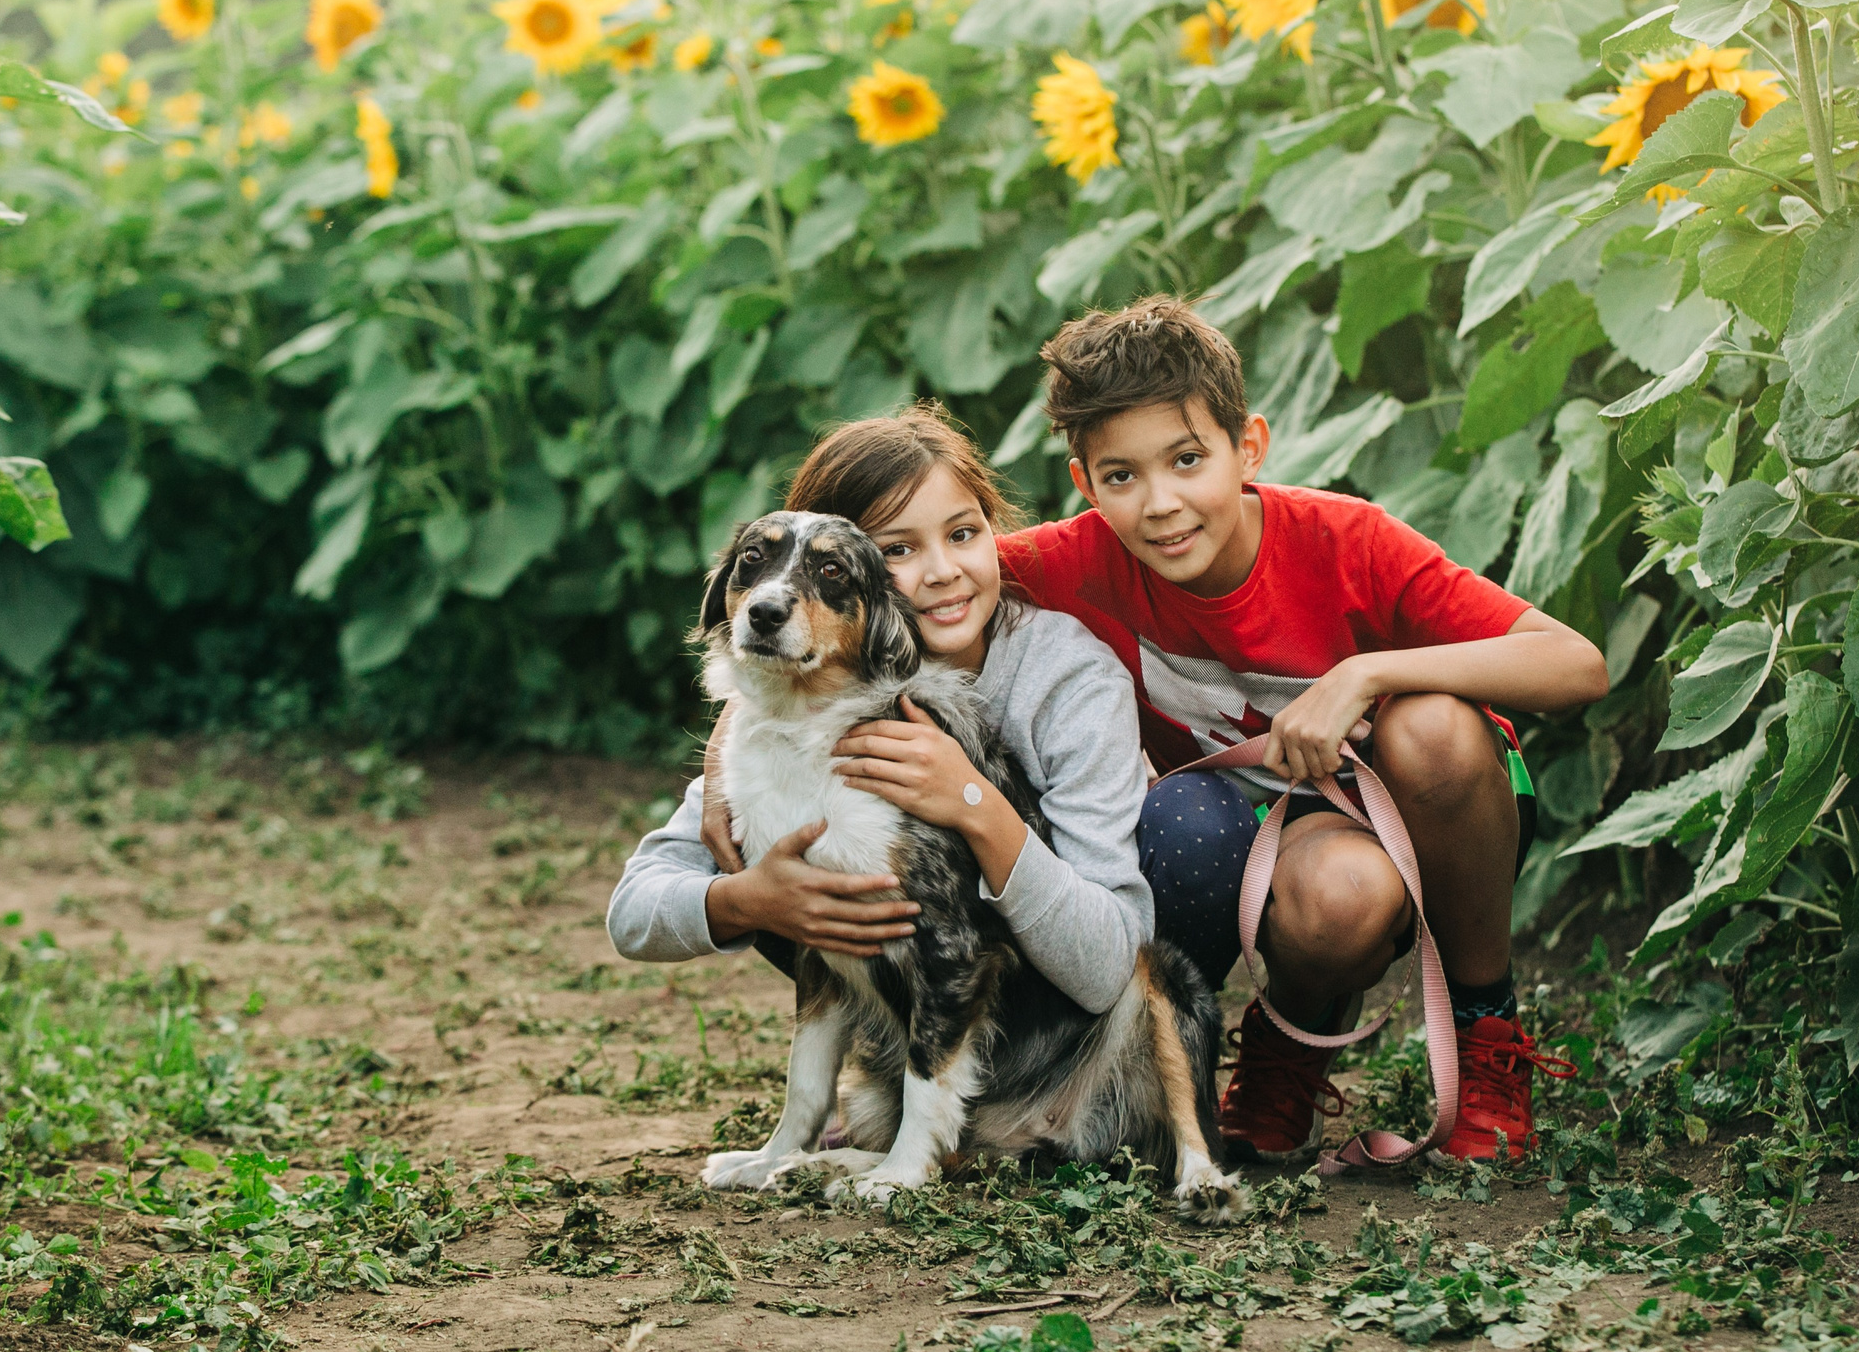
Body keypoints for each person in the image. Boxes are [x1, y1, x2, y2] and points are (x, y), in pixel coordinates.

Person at [999, 296, 1610, 1163]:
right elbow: (925, 574)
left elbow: (1578, 663)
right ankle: (1290, 1031)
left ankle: (1486, 1031)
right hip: (1288, 854)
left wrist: (1368, 672)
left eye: (1186, 459)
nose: (1162, 503)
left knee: (1433, 728)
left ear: (1248, 447)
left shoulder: (1344, 539)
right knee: (1340, 899)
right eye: (1123, 476)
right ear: (1086, 484)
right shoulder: (1075, 560)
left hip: (1440, 816)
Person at [605, 405, 1156, 1017]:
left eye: (964, 533)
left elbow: (1109, 967)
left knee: (1190, 831)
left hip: (1069, 1019)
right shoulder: (796, 702)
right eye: (897, 549)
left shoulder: (1067, 678)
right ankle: (891, 1064)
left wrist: (973, 801)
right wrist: (746, 901)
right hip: (913, 1017)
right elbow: (633, 913)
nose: (944, 572)